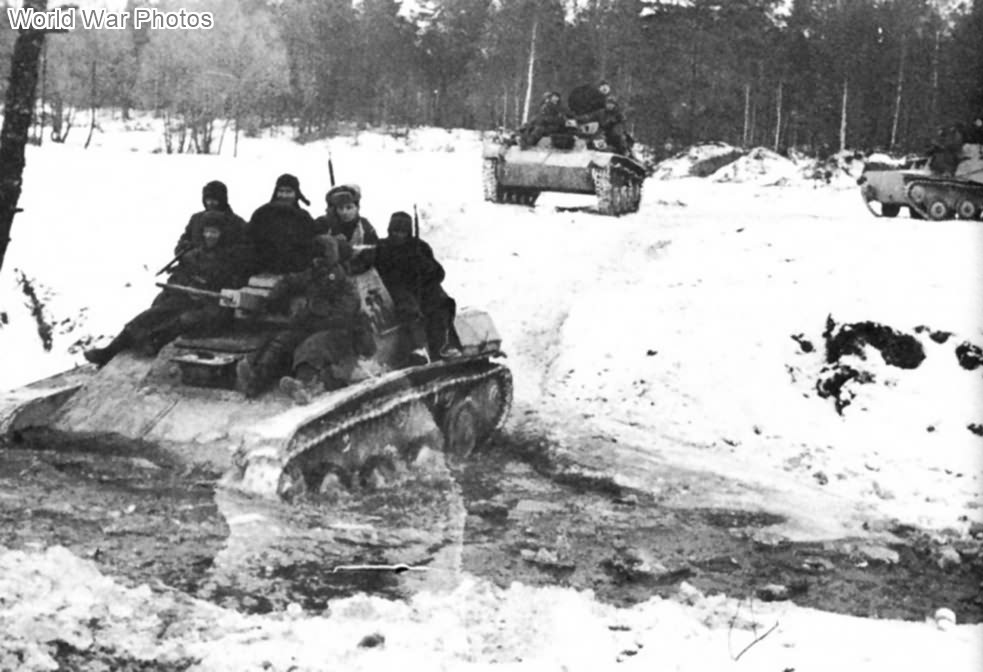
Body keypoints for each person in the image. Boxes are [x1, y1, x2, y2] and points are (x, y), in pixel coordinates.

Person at [83, 212, 249, 367]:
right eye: (207, 232)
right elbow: (179, 277)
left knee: (186, 320)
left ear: (222, 234)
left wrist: (210, 290)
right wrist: (188, 287)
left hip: (213, 304)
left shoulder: (232, 259)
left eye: (214, 232)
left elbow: (233, 287)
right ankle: (109, 351)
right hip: (186, 297)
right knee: (150, 315)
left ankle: (154, 342)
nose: (209, 236)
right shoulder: (193, 255)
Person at [236, 235, 376, 401]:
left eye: (321, 259)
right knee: (282, 342)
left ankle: (304, 384)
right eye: (315, 259)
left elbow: (343, 315)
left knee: (312, 347)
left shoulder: (345, 283)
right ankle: (256, 377)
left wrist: (312, 315)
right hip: (313, 325)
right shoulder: (312, 275)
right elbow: (290, 281)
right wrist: (276, 296)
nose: (316, 263)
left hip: (340, 332)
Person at [374, 211, 460, 361]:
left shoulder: (420, 247)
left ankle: (442, 345)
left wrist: (424, 264)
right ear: (389, 231)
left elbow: (439, 274)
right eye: (395, 231)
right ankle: (418, 347)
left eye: (403, 232)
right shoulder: (382, 247)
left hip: (420, 288)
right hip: (394, 290)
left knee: (440, 301)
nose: (399, 235)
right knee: (409, 308)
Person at [245, 173, 317, 274]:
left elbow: (309, 248)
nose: (283, 196)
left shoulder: (304, 218)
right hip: (263, 271)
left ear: (296, 194)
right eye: (281, 191)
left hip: (295, 274)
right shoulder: (262, 214)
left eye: (288, 192)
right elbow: (250, 241)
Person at [313, 184, 379, 273]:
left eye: (349, 207)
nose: (345, 212)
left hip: (359, 272)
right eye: (340, 208)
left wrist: (347, 268)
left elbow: (370, 255)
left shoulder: (365, 227)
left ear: (357, 208)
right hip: (329, 273)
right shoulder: (323, 224)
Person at [173, 180, 248, 255]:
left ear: (223, 200)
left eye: (215, 200)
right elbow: (182, 244)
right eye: (208, 200)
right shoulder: (196, 220)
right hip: (195, 265)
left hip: (224, 265)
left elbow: (244, 250)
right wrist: (187, 253)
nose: (211, 203)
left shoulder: (237, 223)